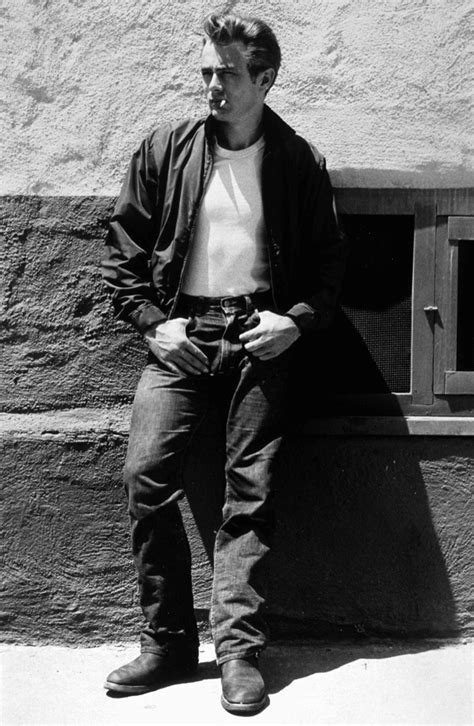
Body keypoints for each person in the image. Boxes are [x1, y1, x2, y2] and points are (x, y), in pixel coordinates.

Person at [101, 11, 346, 716]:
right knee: (145, 476)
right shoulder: (165, 148)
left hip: (258, 337)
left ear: (264, 80)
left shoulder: (297, 161)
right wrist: (154, 325)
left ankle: (238, 653)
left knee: (250, 492)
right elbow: (124, 248)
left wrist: (294, 322)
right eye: (206, 71)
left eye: (228, 73)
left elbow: (329, 266)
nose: (212, 85)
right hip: (181, 335)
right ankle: (169, 643)